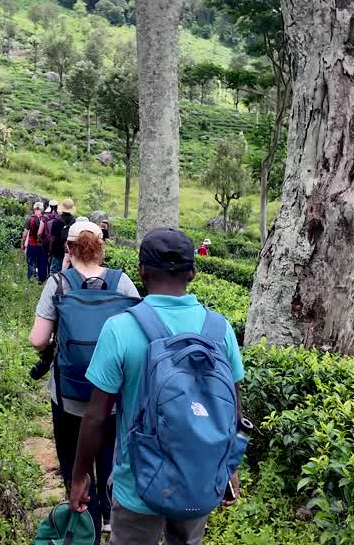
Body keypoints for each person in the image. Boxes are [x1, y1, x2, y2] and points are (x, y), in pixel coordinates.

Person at [69, 228, 245, 545]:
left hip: (138, 485)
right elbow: (233, 406)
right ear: (192, 272)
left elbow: (96, 415)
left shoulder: (121, 328)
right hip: (199, 478)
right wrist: (228, 468)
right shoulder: (221, 330)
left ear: (142, 271)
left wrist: (81, 476)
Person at [29, 220, 139, 540]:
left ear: (68, 248)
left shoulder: (59, 283)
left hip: (68, 396)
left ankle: (83, 517)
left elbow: (37, 340)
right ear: (102, 248)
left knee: (71, 455)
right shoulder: (122, 283)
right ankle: (107, 514)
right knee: (107, 451)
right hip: (111, 396)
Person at [47, 198, 77, 275]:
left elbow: (52, 238)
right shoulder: (74, 221)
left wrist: (51, 250)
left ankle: (54, 286)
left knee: (54, 272)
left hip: (57, 251)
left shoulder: (56, 221)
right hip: (69, 251)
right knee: (67, 273)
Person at [22, 202, 49, 283]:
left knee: (30, 261)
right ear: (42, 209)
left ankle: (30, 278)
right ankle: (41, 279)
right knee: (42, 262)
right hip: (42, 245)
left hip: (31, 244)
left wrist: (23, 244)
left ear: (34, 209)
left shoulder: (29, 219)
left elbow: (25, 234)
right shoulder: (45, 219)